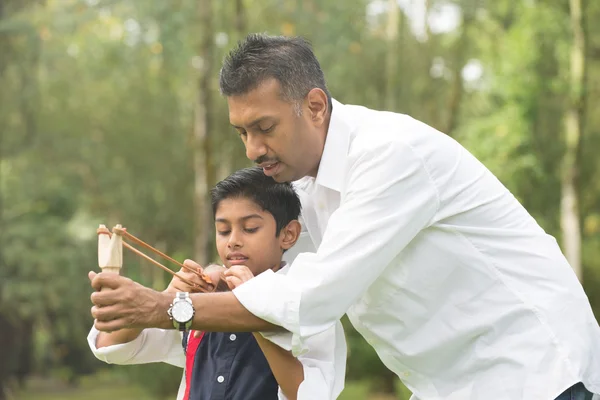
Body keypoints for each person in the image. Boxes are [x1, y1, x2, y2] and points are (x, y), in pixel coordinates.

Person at [89, 33, 600, 400]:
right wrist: (203, 286)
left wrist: (167, 308)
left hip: (538, 375)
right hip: (451, 386)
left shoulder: (389, 155)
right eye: (241, 132)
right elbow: (279, 278)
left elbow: (312, 296)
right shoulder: (301, 185)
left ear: (315, 105)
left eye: (264, 127)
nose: (252, 148)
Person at [87, 167, 346, 400]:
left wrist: (254, 305)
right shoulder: (204, 296)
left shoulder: (306, 302)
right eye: (223, 231)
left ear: (288, 234)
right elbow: (110, 347)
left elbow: (312, 395)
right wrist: (168, 296)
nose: (233, 241)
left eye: (250, 228)